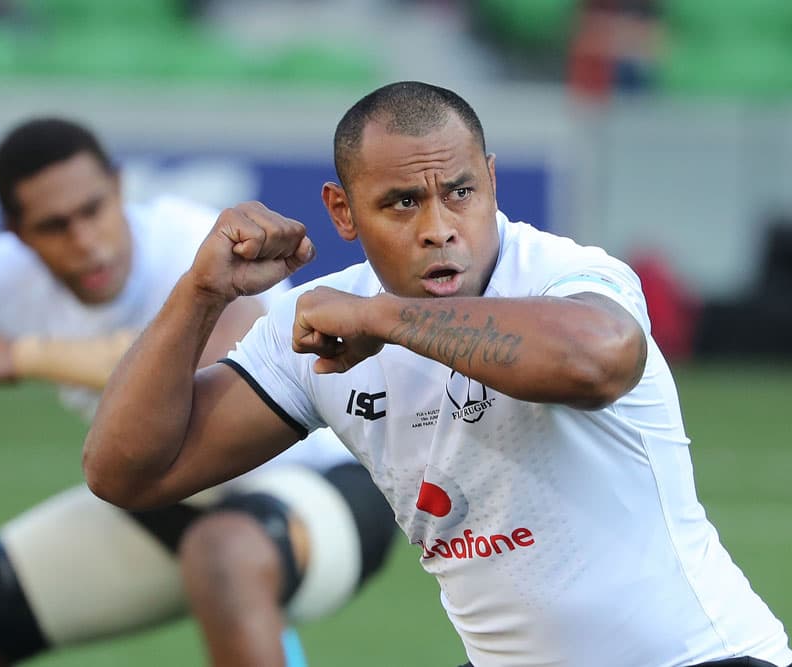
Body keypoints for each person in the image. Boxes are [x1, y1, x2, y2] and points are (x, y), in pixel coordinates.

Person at [83, 81, 792, 667]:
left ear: (490, 178)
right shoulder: (315, 324)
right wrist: (200, 295)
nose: (438, 226)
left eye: (459, 192)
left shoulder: (567, 274)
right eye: (401, 203)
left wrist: (387, 318)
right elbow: (126, 472)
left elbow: (598, 360)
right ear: (343, 210)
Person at [0, 117, 397, 667]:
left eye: (93, 210)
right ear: (17, 231)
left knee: (225, 554)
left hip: (318, 482)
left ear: (119, 188)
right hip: (170, 497)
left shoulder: (188, 240)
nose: (86, 242)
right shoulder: (1, 275)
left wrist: (23, 356)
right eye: (55, 226)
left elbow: (214, 368)